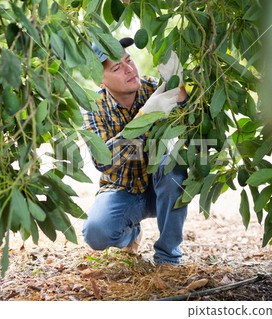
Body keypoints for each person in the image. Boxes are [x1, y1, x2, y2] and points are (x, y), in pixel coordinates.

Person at [81, 37, 189, 265]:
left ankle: (168, 257)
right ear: (100, 81)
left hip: (162, 187)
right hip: (122, 190)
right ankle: (131, 233)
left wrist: (181, 92)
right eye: (118, 68)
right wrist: (143, 119)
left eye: (129, 60)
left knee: (174, 168)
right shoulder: (93, 108)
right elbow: (103, 161)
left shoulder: (153, 88)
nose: (130, 70)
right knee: (95, 232)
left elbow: (194, 125)